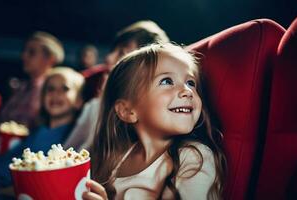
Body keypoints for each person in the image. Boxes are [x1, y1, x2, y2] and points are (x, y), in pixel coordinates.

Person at [83, 43, 226, 200]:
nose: (187, 91)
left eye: (191, 82)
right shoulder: (117, 158)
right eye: (166, 81)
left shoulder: (193, 157)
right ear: (127, 111)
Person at [63, 20, 170, 151]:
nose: (108, 58)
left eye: (121, 53)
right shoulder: (93, 106)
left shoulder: (145, 120)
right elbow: (66, 153)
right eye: (112, 50)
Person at [0, 67, 84, 189]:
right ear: (42, 98)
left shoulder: (72, 137)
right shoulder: (39, 131)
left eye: (65, 89)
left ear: (78, 101)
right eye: (50, 89)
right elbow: (6, 161)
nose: (55, 94)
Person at [0, 31, 64, 133]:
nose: (24, 56)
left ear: (50, 59)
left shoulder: (50, 92)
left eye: (31, 52)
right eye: (24, 51)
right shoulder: (22, 87)